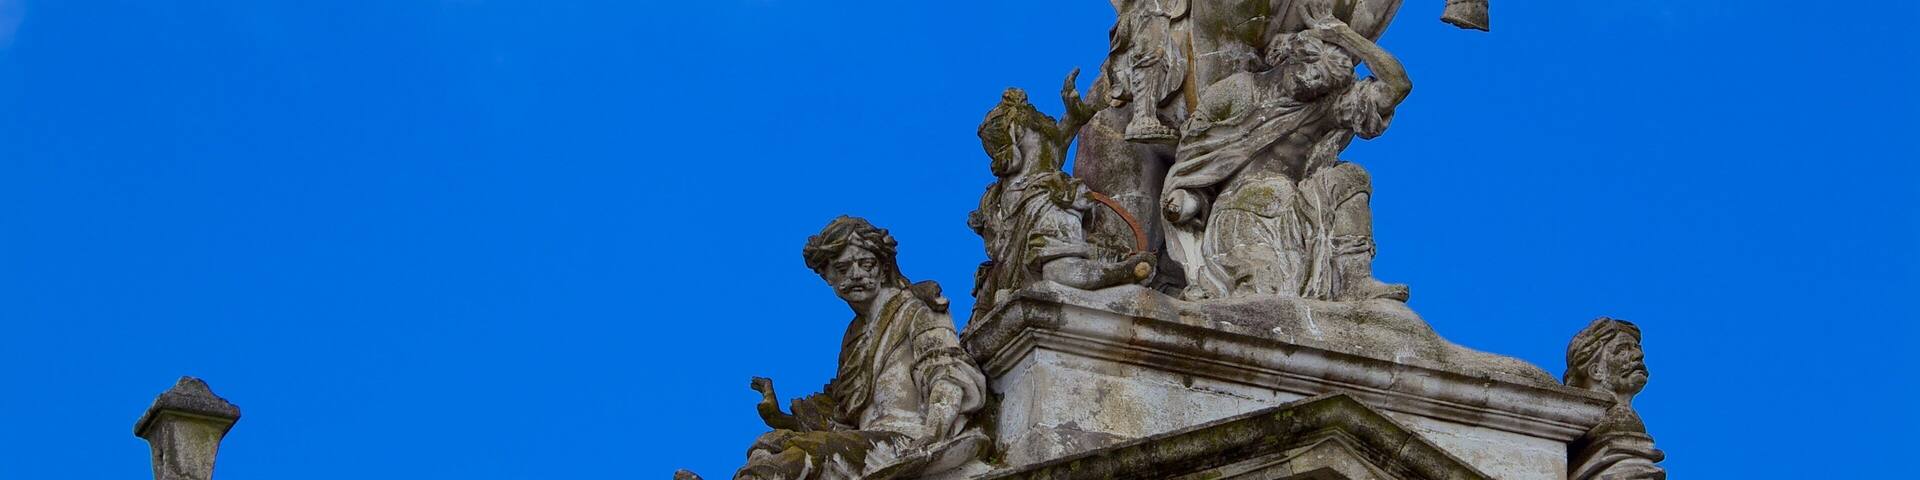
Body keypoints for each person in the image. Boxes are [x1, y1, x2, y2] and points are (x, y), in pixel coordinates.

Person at [1160, 0, 1410, 301]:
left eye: (1322, 85)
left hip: (1302, 205)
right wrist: (1187, 197)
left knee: (1352, 176)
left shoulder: (1322, 104)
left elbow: (1397, 85)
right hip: (1245, 211)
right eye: (1311, 77)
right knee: (1263, 298)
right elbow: (1197, 157)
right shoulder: (1237, 93)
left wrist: (1343, 34)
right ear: (1289, 59)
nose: (1314, 87)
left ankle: (1355, 279)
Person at [717, 217, 988, 480]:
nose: (856, 275)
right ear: (827, 276)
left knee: (811, 453)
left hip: (905, 439)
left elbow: (947, 373)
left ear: (883, 267)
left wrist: (935, 431)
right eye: (843, 268)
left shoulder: (918, 310)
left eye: (866, 264)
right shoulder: (853, 335)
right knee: (771, 442)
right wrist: (782, 419)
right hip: (865, 441)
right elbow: (845, 415)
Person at [969, 79, 1155, 322]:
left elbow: (1053, 145)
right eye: (1038, 118)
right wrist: (1127, 270)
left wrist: (1076, 116)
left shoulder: (1015, 194)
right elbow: (1060, 273)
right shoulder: (1048, 199)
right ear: (1018, 131)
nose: (1049, 119)